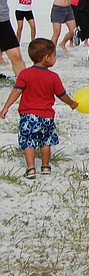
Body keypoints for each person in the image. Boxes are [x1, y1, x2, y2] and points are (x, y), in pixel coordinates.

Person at [0, 38, 78, 179]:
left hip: (28, 116)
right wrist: (72, 103)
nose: (55, 58)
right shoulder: (53, 77)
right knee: (45, 141)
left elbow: (17, 91)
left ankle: (30, 169)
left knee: (29, 142)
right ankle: (45, 166)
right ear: (47, 57)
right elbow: (62, 95)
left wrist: (6, 107)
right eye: (54, 56)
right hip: (47, 117)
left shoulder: (24, 74)